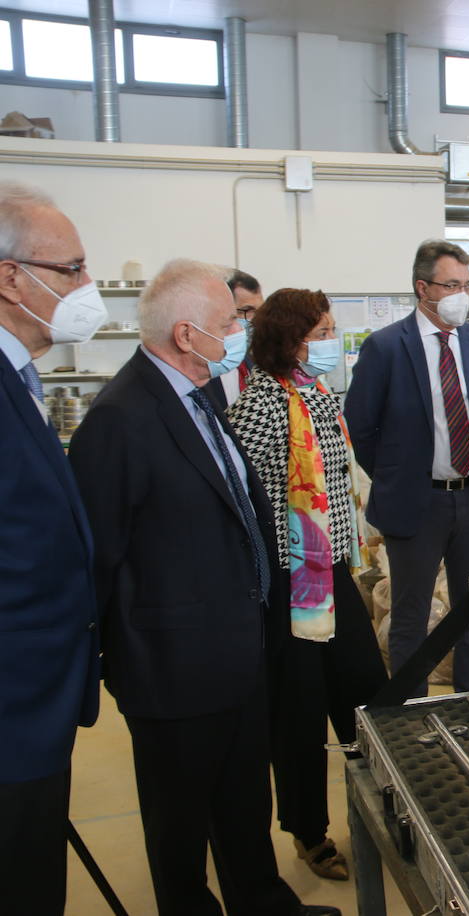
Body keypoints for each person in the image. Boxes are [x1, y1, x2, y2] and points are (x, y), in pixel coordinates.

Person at [67, 258, 339, 916]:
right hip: (171, 665)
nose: (242, 330)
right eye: (230, 322)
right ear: (188, 335)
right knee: (180, 821)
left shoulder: (202, 398)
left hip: (238, 648)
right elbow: (95, 558)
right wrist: (112, 665)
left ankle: (263, 902)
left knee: (243, 799)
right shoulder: (121, 418)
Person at [227, 289, 387, 882]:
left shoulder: (316, 394)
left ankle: (382, 805)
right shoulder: (259, 407)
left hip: (333, 573)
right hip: (289, 585)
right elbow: (245, 505)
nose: (329, 339)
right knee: (297, 712)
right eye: (321, 330)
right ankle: (309, 832)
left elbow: (336, 477)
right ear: (292, 340)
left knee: (366, 691)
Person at [0, 181, 102, 916]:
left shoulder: (21, 379)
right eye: (71, 270)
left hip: (39, 704)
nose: (86, 288)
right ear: (11, 277)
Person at [344, 239, 469, 695]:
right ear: (422, 288)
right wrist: (400, 477)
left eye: (466, 284)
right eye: (451, 284)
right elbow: (361, 427)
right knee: (410, 614)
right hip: (417, 503)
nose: (461, 294)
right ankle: (410, 711)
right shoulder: (386, 347)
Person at [205, 268, 264, 410]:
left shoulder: (254, 362)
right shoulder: (201, 367)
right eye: (248, 310)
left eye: (260, 311)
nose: (257, 319)